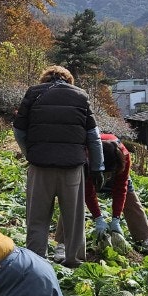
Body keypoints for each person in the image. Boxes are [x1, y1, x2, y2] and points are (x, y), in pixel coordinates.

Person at [13, 65, 103, 267]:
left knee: (37, 219)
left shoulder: (33, 93)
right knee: (74, 219)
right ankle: (74, 261)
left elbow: (19, 131)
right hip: (72, 168)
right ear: (69, 80)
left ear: (44, 79)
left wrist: (30, 153)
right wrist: (97, 168)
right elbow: (94, 137)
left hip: (40, 167)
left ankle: (37, 263)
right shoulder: (80, 96)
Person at [57, 131, 148, 256]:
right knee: (73, 199)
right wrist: (98, 218)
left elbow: (121, 188)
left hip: (113, 170)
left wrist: (116, 219)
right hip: (91, 172)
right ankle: (63, 244)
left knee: (131, 199)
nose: (107, 178)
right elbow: (88, 192)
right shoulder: (86, 156)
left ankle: (146, 239)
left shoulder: (124, 155)